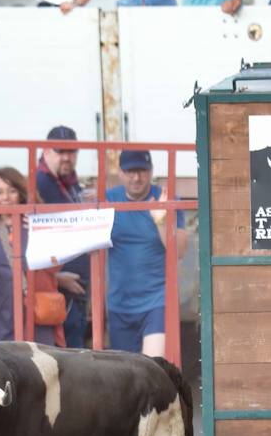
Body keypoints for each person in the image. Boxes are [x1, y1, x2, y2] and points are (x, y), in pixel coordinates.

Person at [0, 167, 68, 346]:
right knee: (2, 370)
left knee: (39, 368)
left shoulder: (37, 219)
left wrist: (40, 231)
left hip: (35, 313)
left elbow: (55, 266)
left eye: (12, 191)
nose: (5, 197)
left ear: (21, 193)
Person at [104, 150, 188, 357]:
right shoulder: (107, 200)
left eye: (142, 171)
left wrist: (161, 219)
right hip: (119, 303)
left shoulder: (166, 199)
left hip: (156, 302)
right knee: (124, 376)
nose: (136, 178)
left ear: (150, 172)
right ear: (120, 173)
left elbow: (179, 251)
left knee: (153, 367)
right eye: (130, 172)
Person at [36, 125, 91, 347]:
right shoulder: (39, 185)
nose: (67, 158)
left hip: (71, 292)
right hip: (54, 292)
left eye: (72, 152)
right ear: (46, 152)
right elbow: (28, 243)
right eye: (60, 152)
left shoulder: (70, 183)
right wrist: (58, 278)